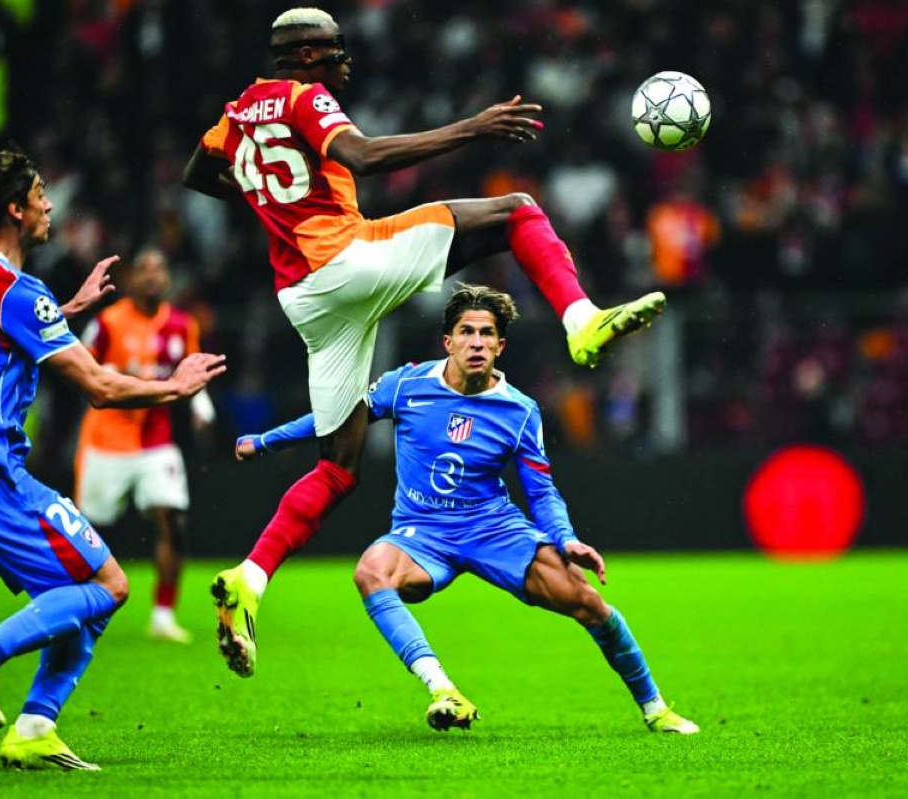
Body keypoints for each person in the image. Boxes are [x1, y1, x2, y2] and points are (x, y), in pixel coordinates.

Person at [183, 6, 668, 678]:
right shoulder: (304, 97)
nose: (344, 59)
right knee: (518, 210)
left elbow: (196, 175)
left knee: (339, 464)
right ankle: (581, 318)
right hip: (347, 260)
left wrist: (270, 200)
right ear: (302, 55)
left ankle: (251, 576)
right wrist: (473, 128)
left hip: (303, 297)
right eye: (334, 48)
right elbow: (366, 155)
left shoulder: (236, 115)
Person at [236, 284, 698, 735]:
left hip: (493, 530)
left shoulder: (519, 411)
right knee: (371, 572)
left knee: (589, 603)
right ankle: (444, 690)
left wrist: (566, 538)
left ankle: (656, 709)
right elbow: (335, 417)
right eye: (466, 331)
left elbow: (541, 492)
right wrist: (266, 440)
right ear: (448, 341)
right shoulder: (406, 385)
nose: (476, 342)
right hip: (422, 533)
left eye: (485, 333)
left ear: (500, 345)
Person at [0, 149, 226, 770]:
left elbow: (2, 331)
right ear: (14, 208)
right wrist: (175, 385)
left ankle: (36, 727)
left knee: (79, 593)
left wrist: (65, 314)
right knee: (109, 584)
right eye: (39, 193)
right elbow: (100, 388)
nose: (49, 204)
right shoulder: (20, 291)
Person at [73, 247, 215, 643]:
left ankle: (163, 615)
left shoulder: (182, 324)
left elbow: (191, 371)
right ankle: (81, 611)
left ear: (167, 278)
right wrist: (105, 372)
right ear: (133, 278)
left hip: (157, 441)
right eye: (145, 269)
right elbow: (80, 366)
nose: (152, 276)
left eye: (160, 268)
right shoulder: (107, 322)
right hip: (106, 441)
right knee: (90, 534)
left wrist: (202, 406)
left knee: (174, 520)